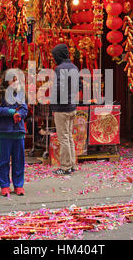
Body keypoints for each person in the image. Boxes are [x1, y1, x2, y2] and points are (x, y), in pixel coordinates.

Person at [0, 70, 28, 196]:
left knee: (19, 160)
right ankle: (4, 185)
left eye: (17, 79)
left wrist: (19, 114)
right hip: (4, 131)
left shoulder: (20, 93)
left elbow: (24, 108)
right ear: (7, 80)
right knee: (4, 160)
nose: (15, 82)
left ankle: (18, 185)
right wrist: (9, 112)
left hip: (18, 131)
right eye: (13, 79)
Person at [50, 43, 80, 175]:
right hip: (72, 106)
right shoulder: (74, 67)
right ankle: (72, 164)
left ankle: (65, 166)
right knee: (69, 138)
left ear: (58, 55)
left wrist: (53, 105)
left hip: (62, 108)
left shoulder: (60, 68)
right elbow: (79, 86)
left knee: (63, 138)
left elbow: (57, 89)